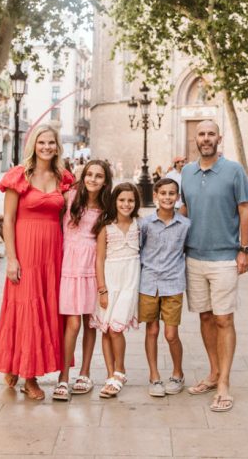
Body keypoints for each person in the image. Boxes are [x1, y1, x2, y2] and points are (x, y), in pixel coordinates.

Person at [0, 125, 75, 402]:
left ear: (57, 146)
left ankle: (16, 364)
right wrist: (11, 258)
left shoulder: (63, 177)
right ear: (34, 145)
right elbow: (9, 220)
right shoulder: (19, 175)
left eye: (52, 142)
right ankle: (29, 377)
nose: (47, 147)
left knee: (46, 310)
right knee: (26, 309)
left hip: (53, 253)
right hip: (26, 251)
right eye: (42, 142)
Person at [179, 120, 248, 414]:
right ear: (195, 139)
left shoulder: (234, 171)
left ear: (219, 138)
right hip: (194, 257)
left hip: (224, 258)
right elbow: (184, 209)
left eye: (211, 134)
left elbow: (244, 208)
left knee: (224, 320)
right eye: (201, 134)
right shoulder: (186, 172)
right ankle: (212, 373)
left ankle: (224, 382)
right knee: (206, 317)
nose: (206, 138)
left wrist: (244, 250)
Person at [52, 159, 113, 402]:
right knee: (72, 324)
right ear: (83, 176)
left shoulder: (107, 206)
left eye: (99, 176)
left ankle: (85, 373)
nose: (93, 180)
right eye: (89, 174)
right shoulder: (70, 198)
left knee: (89, 322)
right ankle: (63, 376)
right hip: (69, 264)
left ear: (105, 180)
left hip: (93, 265)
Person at [138, 177, 189, 398]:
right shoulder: (145, 224)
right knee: (152, 330)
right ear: (155, 196)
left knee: (170, 334)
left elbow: (187, 250)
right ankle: (154, 376)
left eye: (172, 194)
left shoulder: (185, 224)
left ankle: (178, 373)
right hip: (149, 284)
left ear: (177, 198)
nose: (167, 197)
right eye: (163, 193)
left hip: (173, 284)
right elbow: (138, 251)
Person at [91, 183, 142, 399]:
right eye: (122, 200)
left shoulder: (139, 225)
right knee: (106, 328)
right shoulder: (106, 226)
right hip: (110, 283)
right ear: (114, 202)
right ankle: (110, 374)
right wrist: (102, 290)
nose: (126, 204)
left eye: (130, 200)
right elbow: (100, 259)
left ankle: (120, 371)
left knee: (116, 328)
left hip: (130, 283)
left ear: (136, 203)